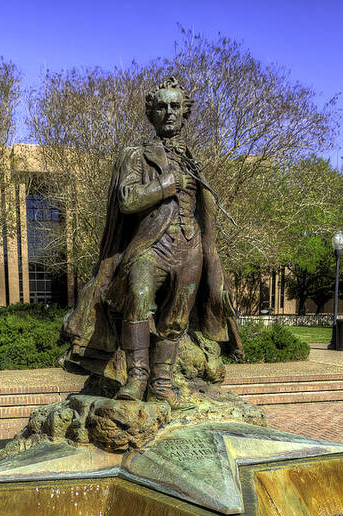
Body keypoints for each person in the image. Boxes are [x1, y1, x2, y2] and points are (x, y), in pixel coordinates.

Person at [62, 76, 243, 406]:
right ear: (152, 114)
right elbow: (127, 200)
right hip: (151, 246)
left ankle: (162, 382)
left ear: (185, 113)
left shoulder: (194, 160)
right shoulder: (136, 155)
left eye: (176, 106)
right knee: (139, 297)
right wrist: (168, 183)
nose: (169, 112)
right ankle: (137, 376)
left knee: (177, 317)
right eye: (162, 107)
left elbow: (205, 214)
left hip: (190, 249)